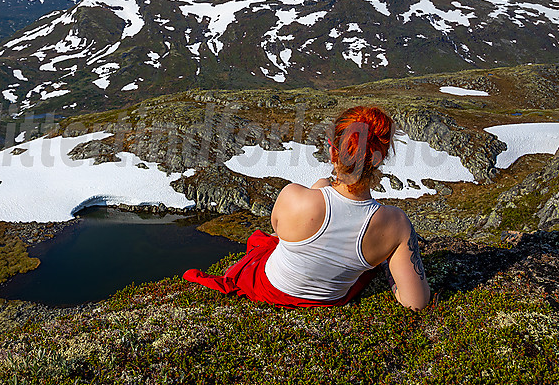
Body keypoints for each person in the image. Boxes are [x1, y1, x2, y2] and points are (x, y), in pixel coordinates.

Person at [183, 106, 431, 311]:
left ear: (334, 151)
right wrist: (389, 257)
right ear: (379, 159)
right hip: (331, 299)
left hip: (270, 287)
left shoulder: (293, 196)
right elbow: (416, 302)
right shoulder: (395, 225)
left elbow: (278, 233)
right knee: (322, 189)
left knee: (272, 239)